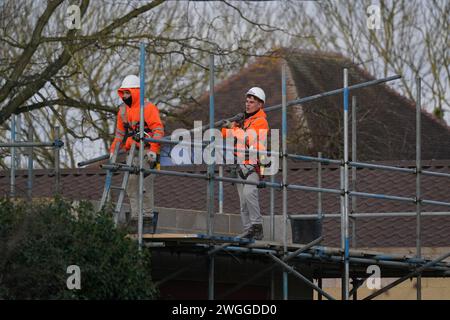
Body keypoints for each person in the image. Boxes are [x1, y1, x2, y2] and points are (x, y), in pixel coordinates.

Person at [110, 75, 164, 221]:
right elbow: (119, 135)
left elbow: (158, 130)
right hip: (132, 152)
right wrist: (113, 152)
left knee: (145, 184)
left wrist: (153, 149)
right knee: (131, 184)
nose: (125, 96)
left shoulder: (148, 108)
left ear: (135, 92)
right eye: (124, 93)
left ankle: (147, 216)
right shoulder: (122, 111)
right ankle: (135, 216)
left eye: (128, 93)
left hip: (147, 151)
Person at [222, 87, 269, 240]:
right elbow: (225, 133)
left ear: (260, 105)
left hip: (253, 164)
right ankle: (249, 230)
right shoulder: (244, 120)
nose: (248, 104)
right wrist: (230, 126)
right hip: (240, 164)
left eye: (252, 102)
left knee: (250, 193)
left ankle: (257, 227)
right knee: (243, 202)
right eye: (247, 101)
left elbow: (249, 138)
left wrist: (233, 128)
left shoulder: (261, 122)